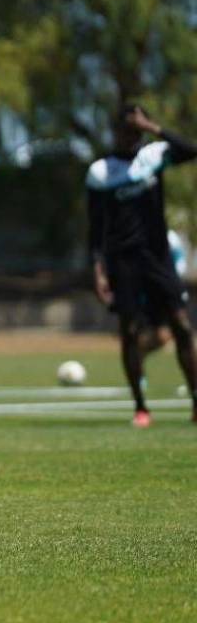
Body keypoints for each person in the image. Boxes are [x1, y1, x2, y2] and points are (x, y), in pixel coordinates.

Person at [87, 104, 197, 427]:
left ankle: (196, 399)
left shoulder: (155, 155)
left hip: (158, 257)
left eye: (137, 127)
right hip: (123, 261)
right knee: (130, 331)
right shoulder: (101, 171)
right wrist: (98, 269)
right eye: (128, 127)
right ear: (116, 131)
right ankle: (140, 406)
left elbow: (191, 150)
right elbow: (94, 229)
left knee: (181, 325)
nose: (131, 134)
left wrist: (154, 127)